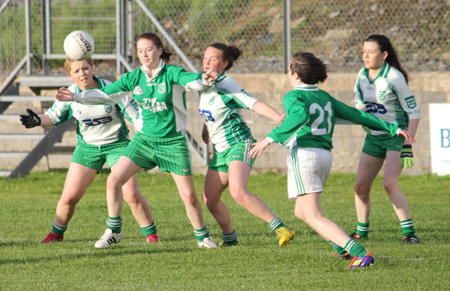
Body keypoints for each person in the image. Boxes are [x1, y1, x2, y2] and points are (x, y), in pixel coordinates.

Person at [248, 51, 415, 268]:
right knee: (301, 211)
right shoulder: (324, 97)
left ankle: (359, 252)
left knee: (314, 214)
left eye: (289, 69)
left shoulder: (294, 96)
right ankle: (340, 248)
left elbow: (298, 116)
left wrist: (268, 140)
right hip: (324, 157)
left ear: (296, 75)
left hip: (305, 155)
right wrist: (392, 127)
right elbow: (358, 115)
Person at [55, 32, 219, 248]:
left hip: (172, 142)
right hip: (144, 141)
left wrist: (203, 79)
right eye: (140, 51)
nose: (144, 54)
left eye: (149, 49)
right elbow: (104, 94)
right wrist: (76, 96)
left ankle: (203, 237)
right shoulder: (134, 77)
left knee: (189, 196)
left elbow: (189, 79)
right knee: (114, 180)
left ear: (159, 50)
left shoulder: (171, 73)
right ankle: (113, 231)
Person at [20, 57, 159, 245]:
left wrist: (143, 141)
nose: (82, 73)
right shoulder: (69, 94)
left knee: (131, 194)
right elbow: (53, 116)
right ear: (70, 75)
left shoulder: (112, 88)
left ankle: (151, 236)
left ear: (92, 68)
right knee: (68, 198)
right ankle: (56, 234)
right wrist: (38, 120)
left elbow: (136, 117)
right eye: (76, 71)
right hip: (87, 148)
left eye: (85, 68)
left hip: (117, 145)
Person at [198, 43, 296, 247]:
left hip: (239, 144)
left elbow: (253, 103)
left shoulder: (227, 84)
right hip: (221, 150)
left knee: (238, 192)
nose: (207, 62)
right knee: (210, 200)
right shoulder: (203, 83)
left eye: (213, 59)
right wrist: (206, 127)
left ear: (225, 64)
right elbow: (214, 110)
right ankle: (231, 240)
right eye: (205, 58)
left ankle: (281, 228)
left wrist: (278, 117)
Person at [350, 34, 421, 243]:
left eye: (371, 52)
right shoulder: (361, 75)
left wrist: (408, 144)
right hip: (373, 138)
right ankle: (361, 232)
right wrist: (360, 109)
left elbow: (414, 112)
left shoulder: (394, 77)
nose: (366, 56)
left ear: (384, 55)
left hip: (396, 137)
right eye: (363, 51)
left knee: (390, 183)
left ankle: (409, 234)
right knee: (360, 186)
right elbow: (358, 100)